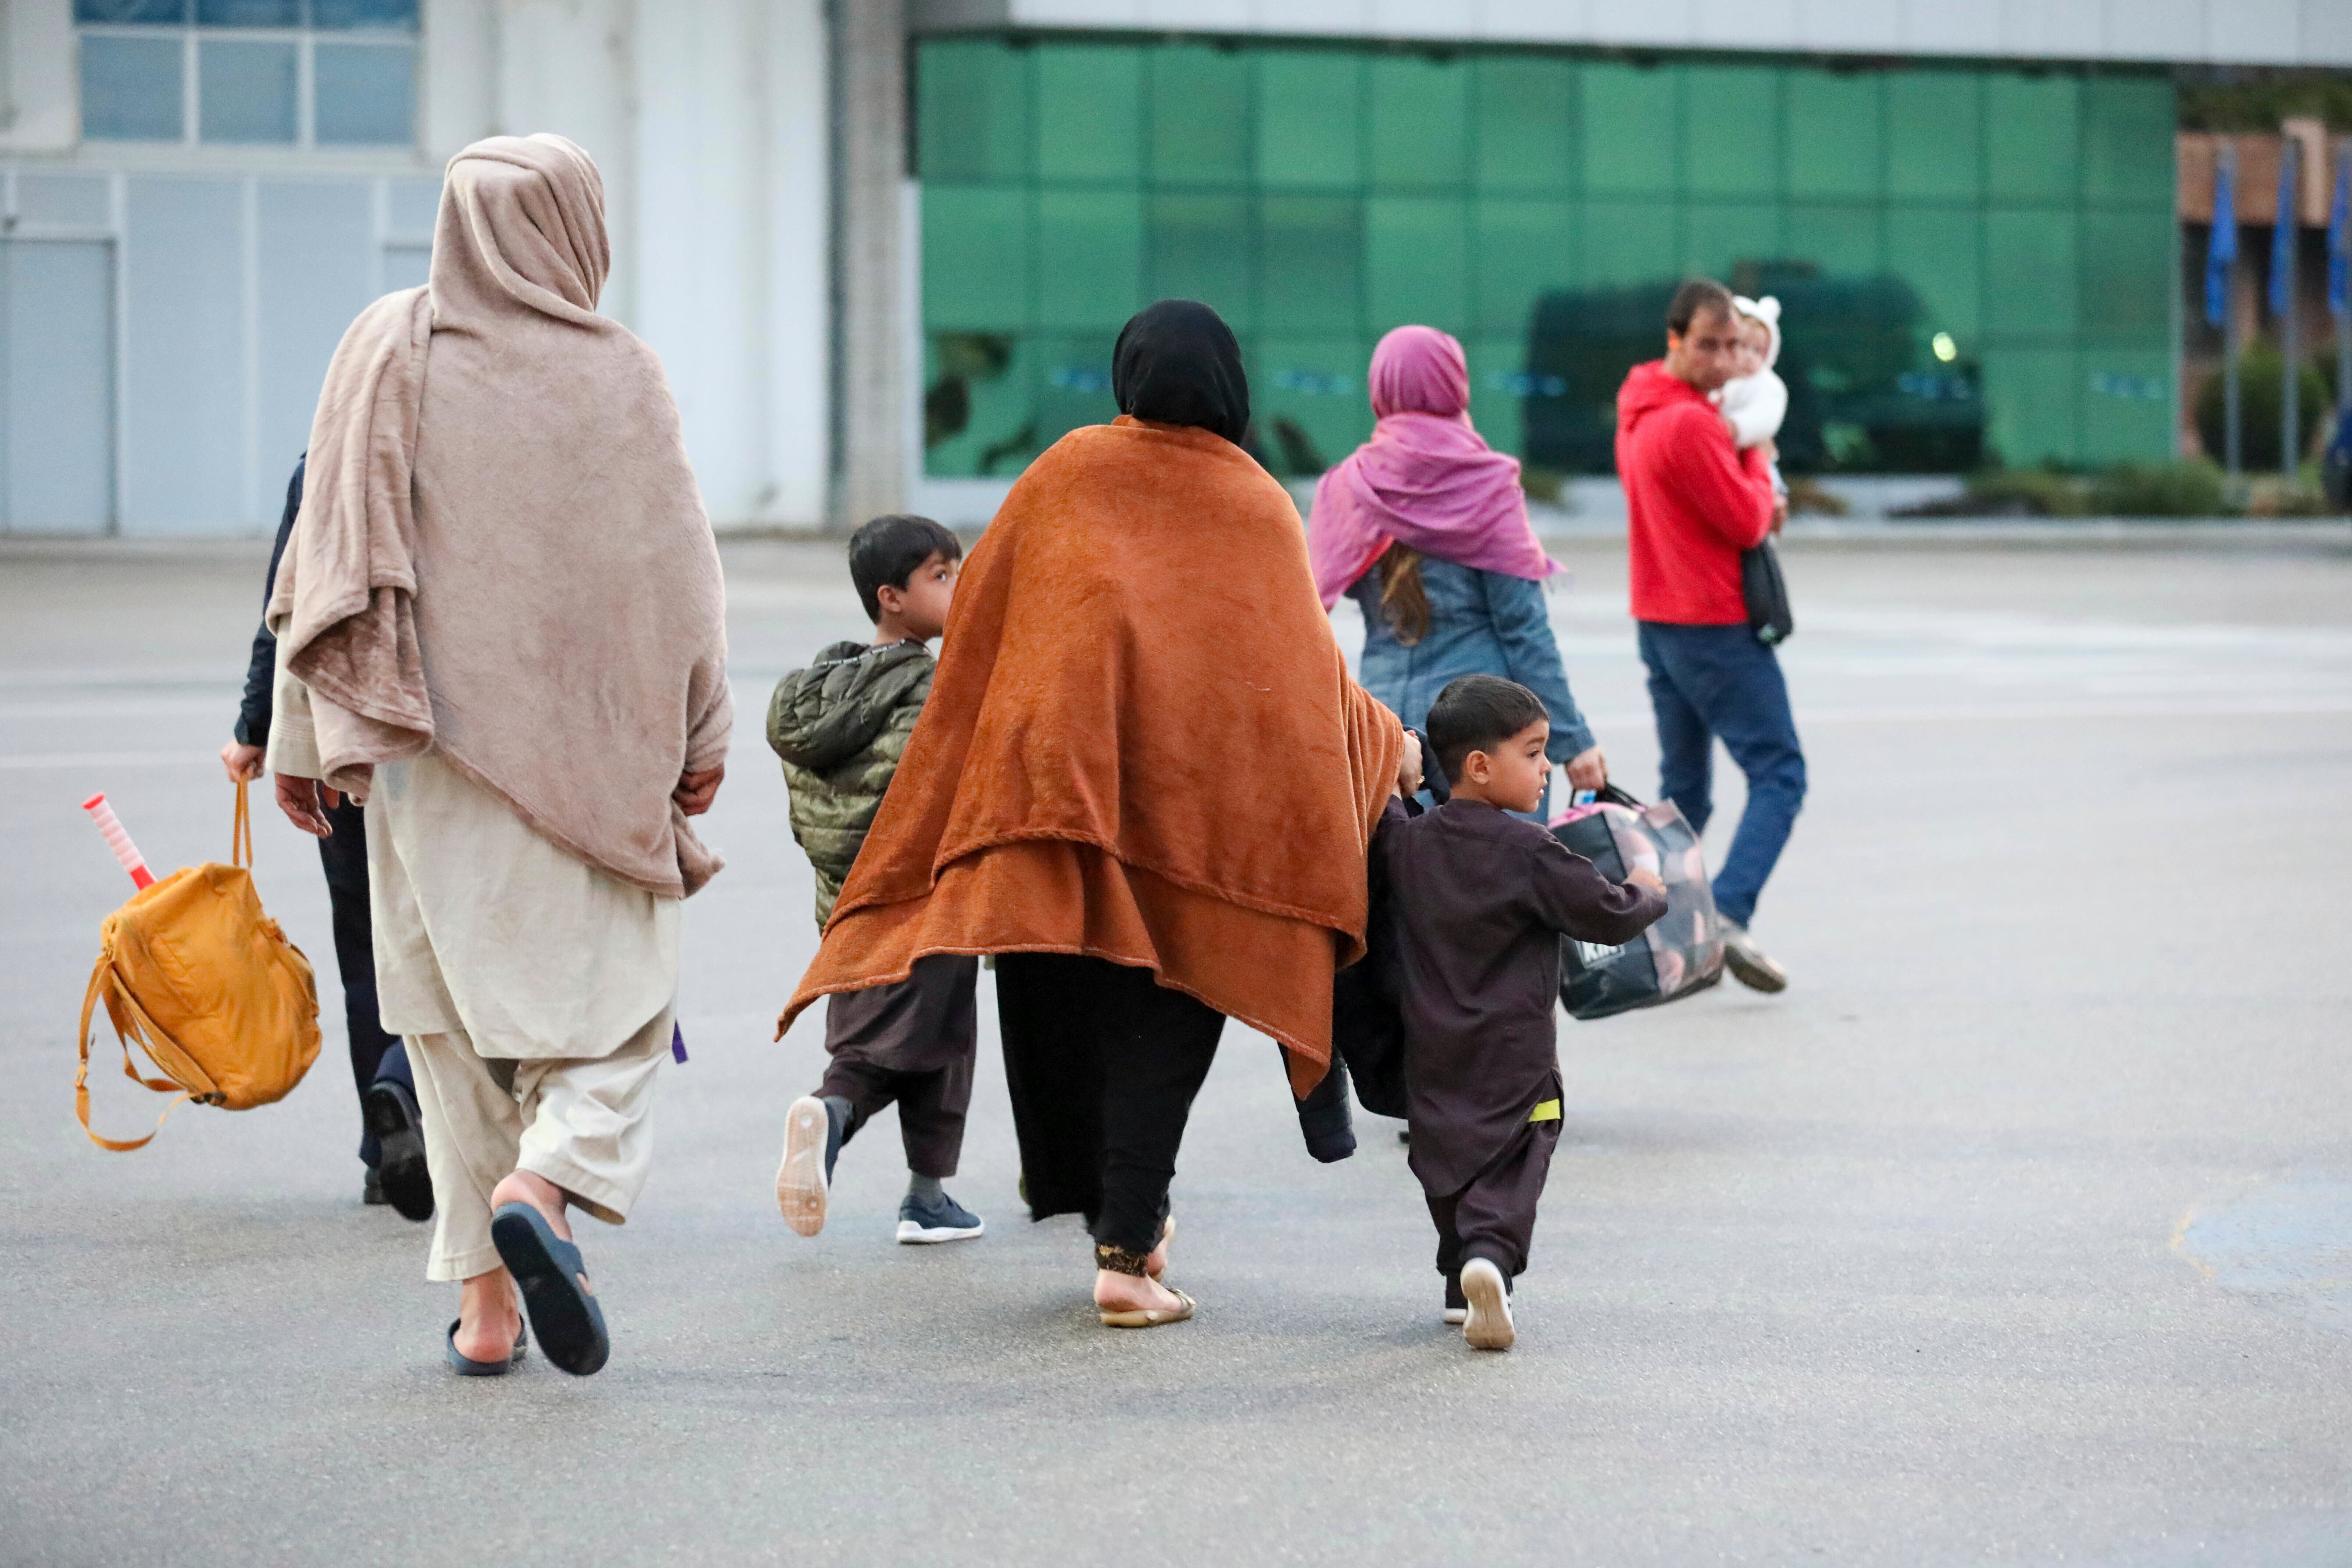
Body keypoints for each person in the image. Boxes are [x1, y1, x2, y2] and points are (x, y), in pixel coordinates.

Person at [778, 299, 1412, 1330]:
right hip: (1192, 833)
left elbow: (982, 628)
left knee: (1064, 1015)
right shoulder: (1252, 503)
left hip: (1056, 814)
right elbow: (1302, 681)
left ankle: (1119, 1220)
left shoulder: (1065, 472)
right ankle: (1126, 1245)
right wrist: (1389, 745)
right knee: (1165, 1025)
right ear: (1230, 387)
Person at [264, 134, 732, 1379]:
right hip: (587, 751)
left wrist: (303, 737)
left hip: (418, 757)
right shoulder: (619, 375)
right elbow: (680, 572)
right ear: (576, 227)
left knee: (449, 1032)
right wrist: (702, 732)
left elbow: (327, 551)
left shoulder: (385, 349)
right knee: (620, 1014)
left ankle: (484, 1314)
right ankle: (553, 1177)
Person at [1380, 675, 1666, 1351]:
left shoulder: (1407, 843)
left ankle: (1460, 1283)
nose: (1545, 768)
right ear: (1479, 766)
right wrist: (1648, 887)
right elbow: (1608, 912)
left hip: (1429, 1046)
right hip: (1515, 1053)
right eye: (1534, 752)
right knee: (1516, 1157)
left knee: (1447, 1155)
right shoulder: (1529, 851)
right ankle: (1489, 1257)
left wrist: (1401, 777)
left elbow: (1393, 808)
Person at [222, 455, 434, 1222]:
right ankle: (409, 1088)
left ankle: (385, 1148)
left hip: (342, 733)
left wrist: (259, 728)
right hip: (444, 741)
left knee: (365, 945)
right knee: (452, 940)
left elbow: (287, 606)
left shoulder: (327, 458)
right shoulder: (475, 432)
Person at [769, 513, 984, 1246]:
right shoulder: (929, 689)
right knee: (908, 1051)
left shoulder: (831, 688)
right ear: (891, 596)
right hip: (923, 903)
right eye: (941, 575)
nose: (958, 586)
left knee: (918, 1042)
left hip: (846, 911)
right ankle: (831, 1115)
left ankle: (928, 1196)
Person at [1309, 324, 1606, 814]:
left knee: (1399, 880)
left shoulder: (1344, 486)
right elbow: (1523, 631)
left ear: (1379, 388)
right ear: (1454, 383)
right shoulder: (1484, 481)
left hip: (1384, 732)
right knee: (1498, 883)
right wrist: (1573, 741)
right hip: (1484, 738)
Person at [1616, 278, 1804, 992]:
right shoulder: (1694, 424)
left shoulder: (1637, 401)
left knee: (1685, 791)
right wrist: (1757, 459)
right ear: (1674, 340)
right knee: (1780, 772)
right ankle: (1726, 911)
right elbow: (1747, 520)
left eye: (1733, 344)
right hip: (1712, 623)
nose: (1725, 360)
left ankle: (1661, 935)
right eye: (1708, 345)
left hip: (1657, 620)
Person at [1717, 294, 1791, 525]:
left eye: (1758, 351)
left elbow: (1765, 419)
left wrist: (1735, 428)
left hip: (1757, 465)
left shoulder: (1767, 385)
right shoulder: (1720, 381)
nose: (1749, 357)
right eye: (1742, 346)